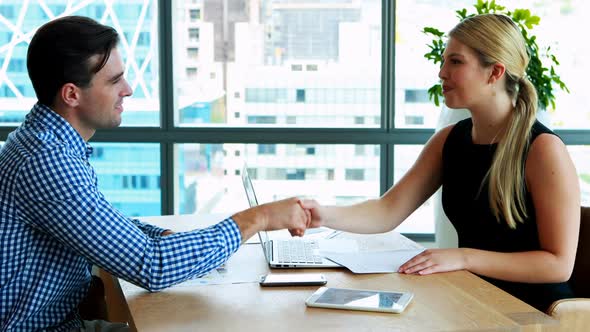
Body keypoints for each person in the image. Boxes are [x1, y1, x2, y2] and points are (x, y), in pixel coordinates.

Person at [0, 16, 310, 331]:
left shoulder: (42, 140)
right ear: (71, 95)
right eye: (114, 81)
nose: (128, 89)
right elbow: (153, 266)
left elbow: (99, 222)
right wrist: (260, 218)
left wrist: (161, 236)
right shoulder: (47, 162)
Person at [303, 13, 580, 312]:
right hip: (472, 299)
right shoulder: (449, 140)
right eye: (444, 61)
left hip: (532, 315)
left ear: (494, 72)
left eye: (456, 62)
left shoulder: (543, 149)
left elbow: (558, 265)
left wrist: (462, 257)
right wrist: (320, 215)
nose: (441, 73)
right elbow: (387, 211)